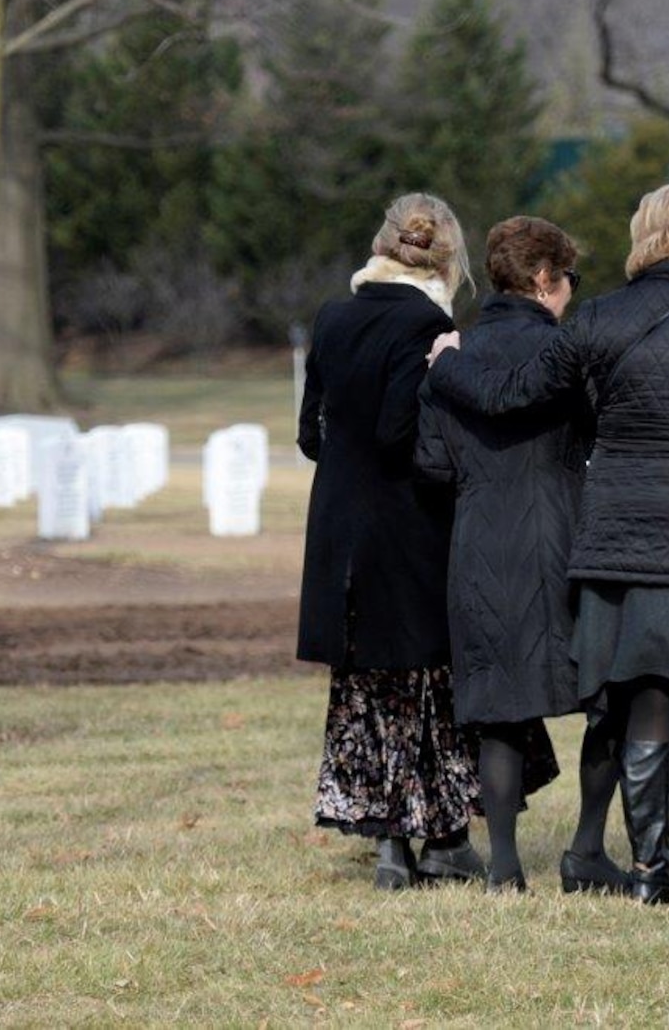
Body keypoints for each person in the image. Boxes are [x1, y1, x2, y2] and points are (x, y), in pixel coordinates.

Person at [426, 182, 669, 905]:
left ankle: (652, 871)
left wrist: (449, 363)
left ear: (644, 237)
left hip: (615, 532)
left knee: (648, 684)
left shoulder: (598, 319)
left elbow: (509, 394)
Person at [414, 217, 623, 895]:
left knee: (499, 709)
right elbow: (602, 435)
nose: (571, 294)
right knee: (607, 696)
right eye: (569, 281)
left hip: (478, 541)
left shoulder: (450, 358)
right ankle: (587, 846)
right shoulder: (565, 356)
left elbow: (432, 463)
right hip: (566, 535)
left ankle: (504, 863)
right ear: (543, 280)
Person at [296, 193, 485, 891]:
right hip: (408, 526)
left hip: (339, 532)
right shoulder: (428, 324)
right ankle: (437, 841)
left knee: (367, 687)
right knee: (426, 681)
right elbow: (398, 430)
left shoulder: (335, 316)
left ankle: (388, 843)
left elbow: (310, 433)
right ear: (446, 257)